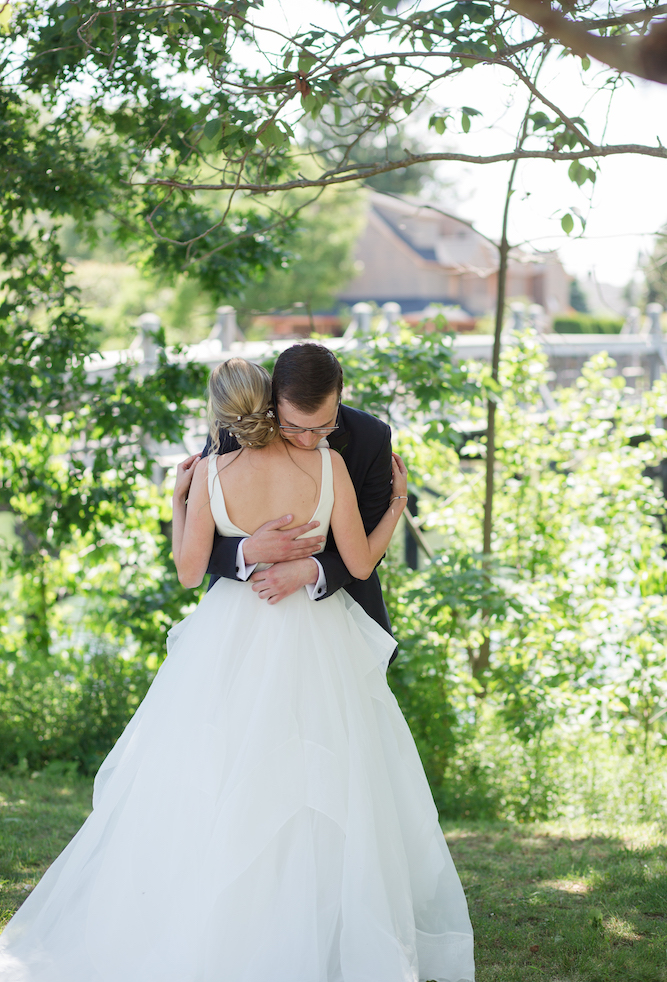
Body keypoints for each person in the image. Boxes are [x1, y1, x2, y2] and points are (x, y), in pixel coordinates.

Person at [0, 357, 474, 982]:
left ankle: (313, 925)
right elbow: (355, 557)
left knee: (310, 779)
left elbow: (191, 568)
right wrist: (381, 514)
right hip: (295, 636)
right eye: (300, 426)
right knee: (256, 776)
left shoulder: (267, 459)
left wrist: (186, 501)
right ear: (270, 404)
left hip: (269, 626)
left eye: (324, 427)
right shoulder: (308, 463)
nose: (314, 439)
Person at [203, 342, 395, 638]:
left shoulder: (371, 437)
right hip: (241, 619)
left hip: (342, 619)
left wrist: (313, 570)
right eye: (291, 426)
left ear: (339, 399)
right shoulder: (236, 427)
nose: (307, 441)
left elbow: (369, 540)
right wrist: (245, 551)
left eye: (323, 428)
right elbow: (196, 536)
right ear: (274, 399)